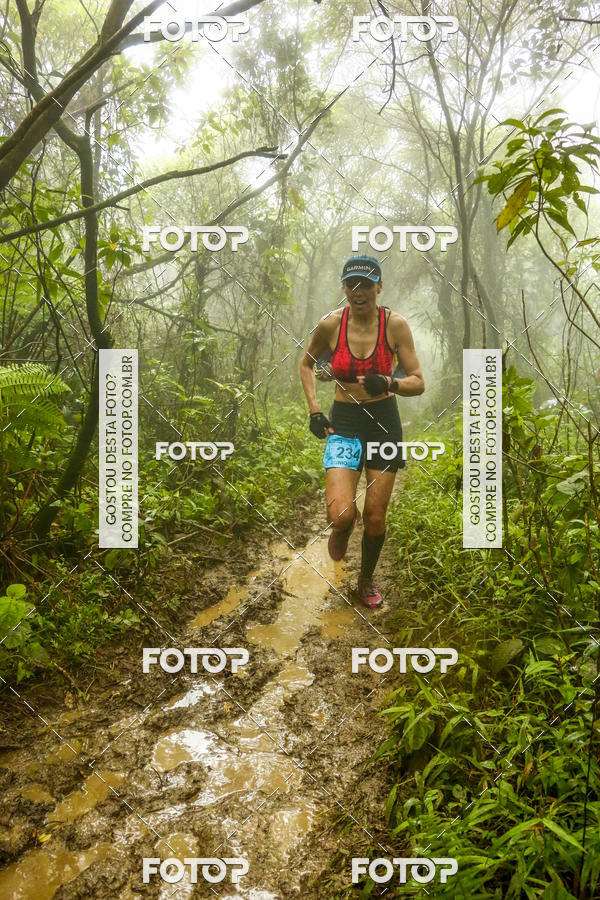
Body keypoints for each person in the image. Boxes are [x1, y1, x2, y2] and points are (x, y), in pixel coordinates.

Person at [299, 256, 425, 608]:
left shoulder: (395, 326)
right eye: (351, 285)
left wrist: (389, 382)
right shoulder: (330, 326)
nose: (359, 292)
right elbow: (307, 364)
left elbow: (418, 382)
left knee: (374, 516)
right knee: (340, 513)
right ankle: (342, 528)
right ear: (344, 289)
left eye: (366, 285)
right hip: (345, 421)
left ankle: (365, 579)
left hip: (384, 422)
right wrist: (314, 410)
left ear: (378, 287)